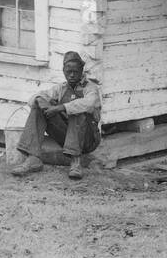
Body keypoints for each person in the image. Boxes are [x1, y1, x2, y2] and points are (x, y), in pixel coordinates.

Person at [11, 51, 101, 180]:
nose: (71, 75)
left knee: (77, 110)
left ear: (82, 70)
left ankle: (76, 162)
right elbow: (32, 100)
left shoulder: (90, 88)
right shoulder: (61, 88)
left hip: (88, 139)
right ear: (63, 71)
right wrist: (45, 104)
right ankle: (33, 158)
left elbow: (89, 104)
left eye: (75, 71)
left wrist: (61, 107)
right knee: (39, 103)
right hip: (66, 137)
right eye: (68, 71)